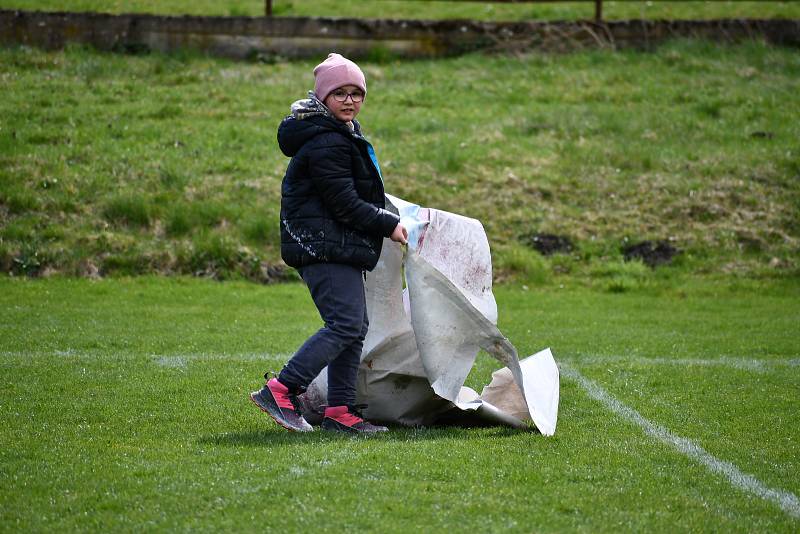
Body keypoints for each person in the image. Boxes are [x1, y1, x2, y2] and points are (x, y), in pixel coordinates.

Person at [250, 53, 408, 434]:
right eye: (340, 93)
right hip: (322, 246)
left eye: (357, 93)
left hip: (335, 244)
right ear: (323, 98)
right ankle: (281, 389)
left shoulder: (340, 135)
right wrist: (389, 224)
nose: (350, 100)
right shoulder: (327, 142)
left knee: (354, 326)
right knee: (344, 323)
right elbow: (345, 203)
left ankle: (340, 411)